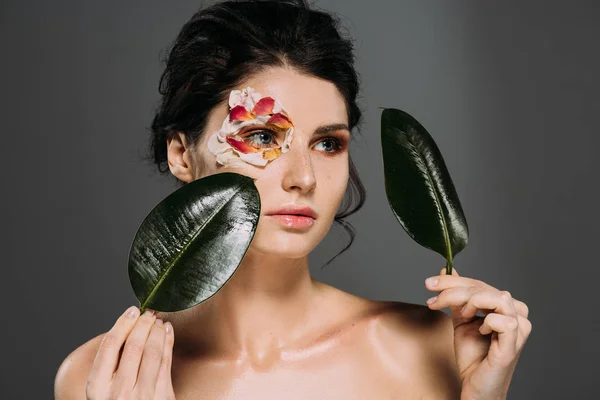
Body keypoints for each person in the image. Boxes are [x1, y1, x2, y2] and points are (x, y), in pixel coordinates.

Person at [54, 1, 532, 399]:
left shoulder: (428, 349)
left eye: (328, 144)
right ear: (181, 153)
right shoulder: (101, 376)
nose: (303, 177)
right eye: (262, 136)